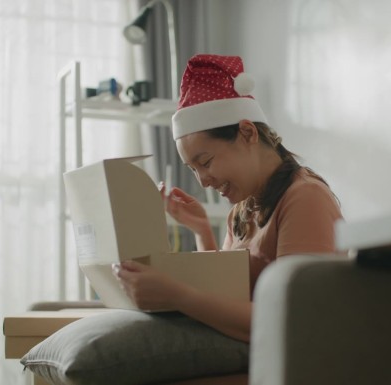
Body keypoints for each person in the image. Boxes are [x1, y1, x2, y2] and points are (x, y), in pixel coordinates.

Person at [114, 54, 343, 343]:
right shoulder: (242, 211)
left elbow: (292, 319)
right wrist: (202, 232)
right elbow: (226, 299)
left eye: (206, 162)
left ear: (247, 132)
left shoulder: (305, 198)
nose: (203, 181)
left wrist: (175, 295)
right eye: (193, 169)